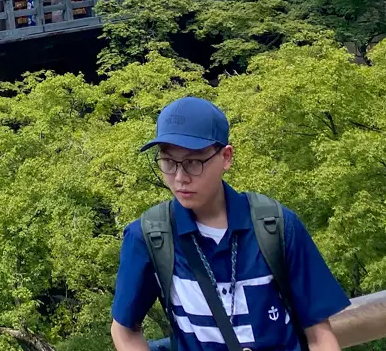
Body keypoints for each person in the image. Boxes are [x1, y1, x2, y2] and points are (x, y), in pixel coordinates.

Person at [111, 97, 349, 351]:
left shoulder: (275, 226)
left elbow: (319, 335)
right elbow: (124, 329)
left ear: (226, 157)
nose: (180, 178)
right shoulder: (150, 236)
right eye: (169, 162)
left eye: (193, 163)